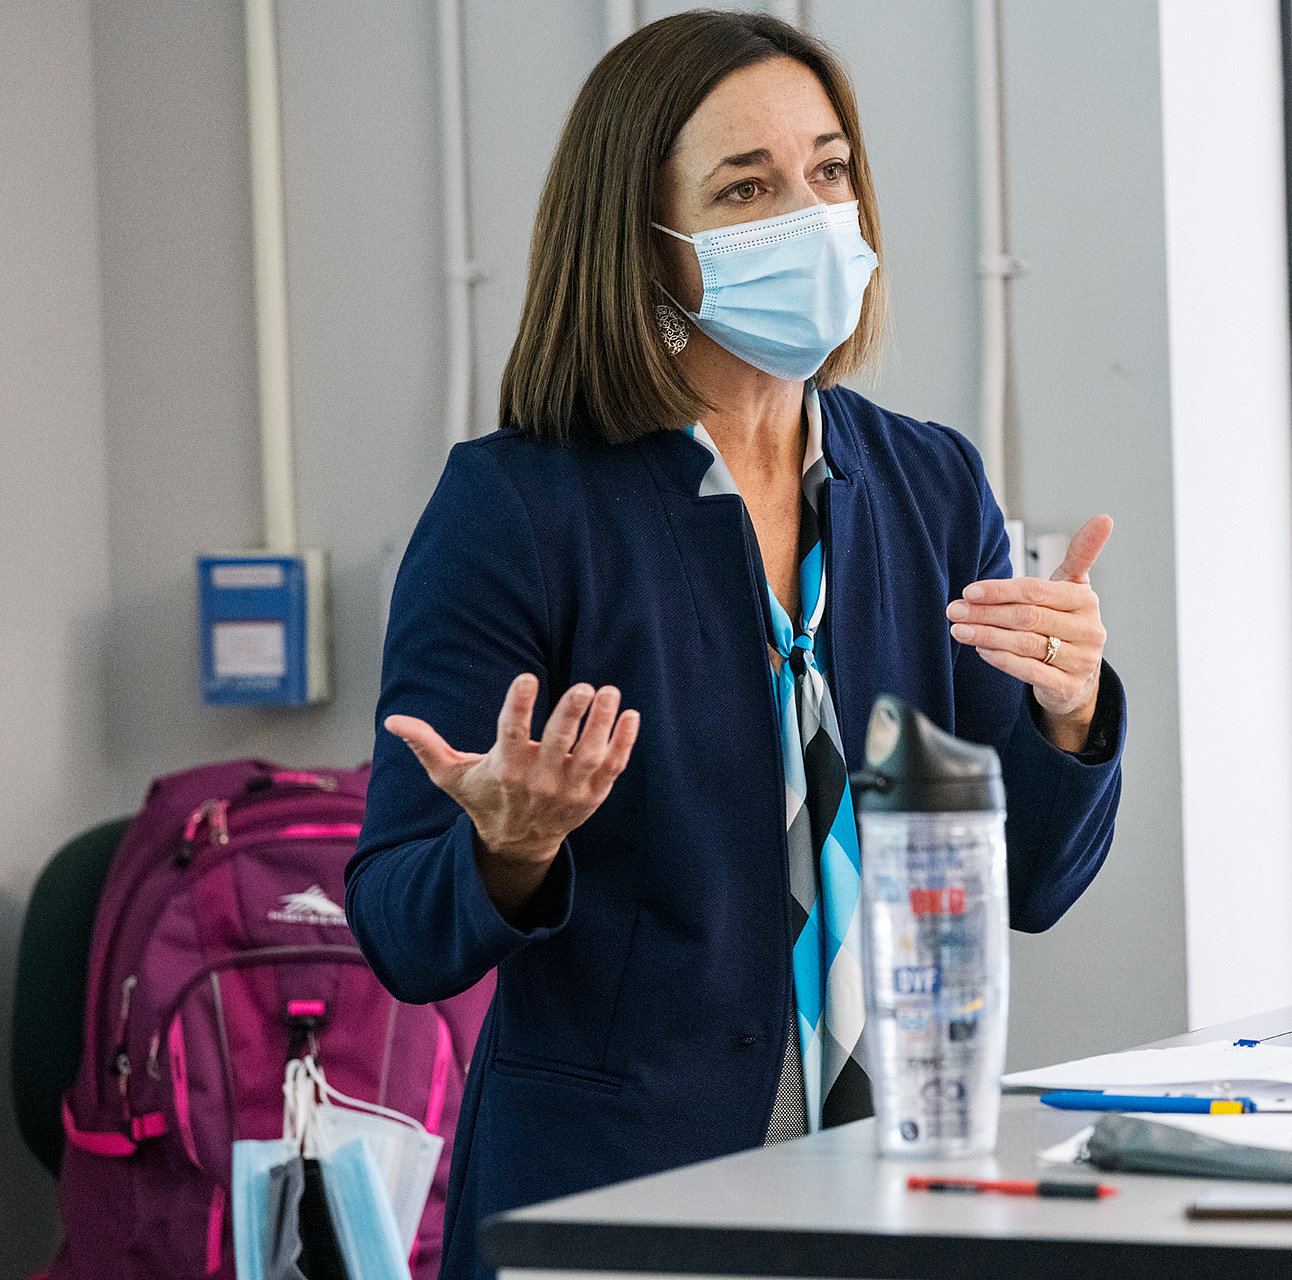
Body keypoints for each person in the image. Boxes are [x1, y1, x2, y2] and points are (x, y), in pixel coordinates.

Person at [345, 11, 1125, 1278]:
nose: (811, 216)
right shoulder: (519, 507)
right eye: (745, 188)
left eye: (828, 172)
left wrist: (1070, 712)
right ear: (644, 242)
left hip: (902, 1188)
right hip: (622, 1206)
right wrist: (509, 846)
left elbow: (1031, 883)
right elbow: (397, 921)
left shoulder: (931, 484)